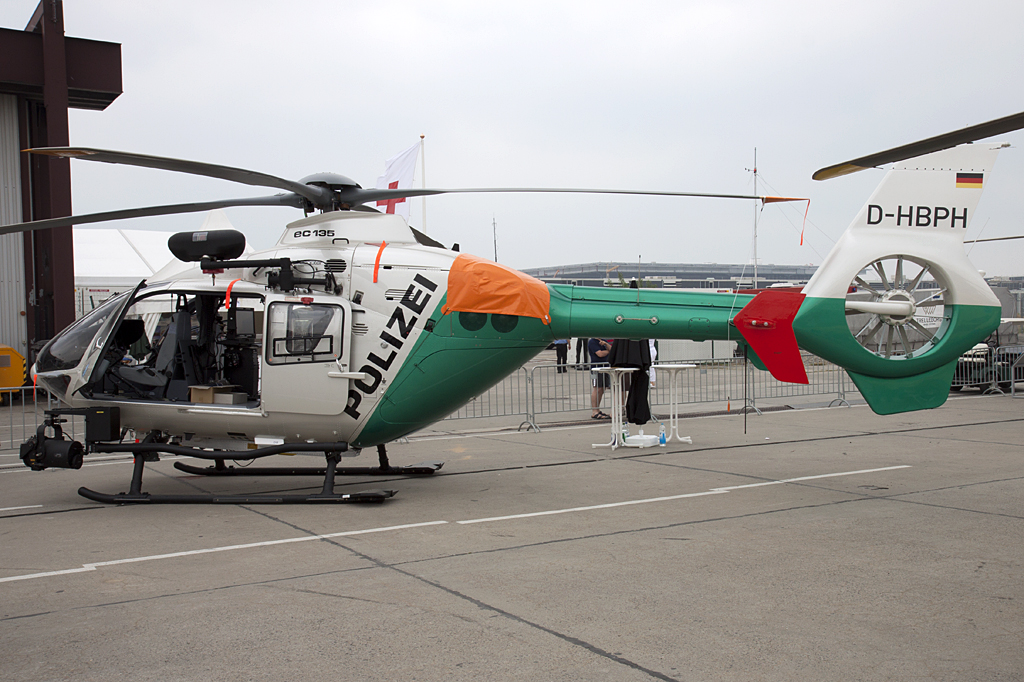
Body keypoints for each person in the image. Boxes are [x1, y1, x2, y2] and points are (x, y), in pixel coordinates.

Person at [589, 338, 612, 418]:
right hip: (596, 368)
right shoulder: (592, 341)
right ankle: (594, 411)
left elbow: (612, 349)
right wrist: (608, 352)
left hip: (605, 367)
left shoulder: (604, 340)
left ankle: (598, 409)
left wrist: (606, 344)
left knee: (602, 389)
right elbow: (600, 354)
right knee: (597, 388)